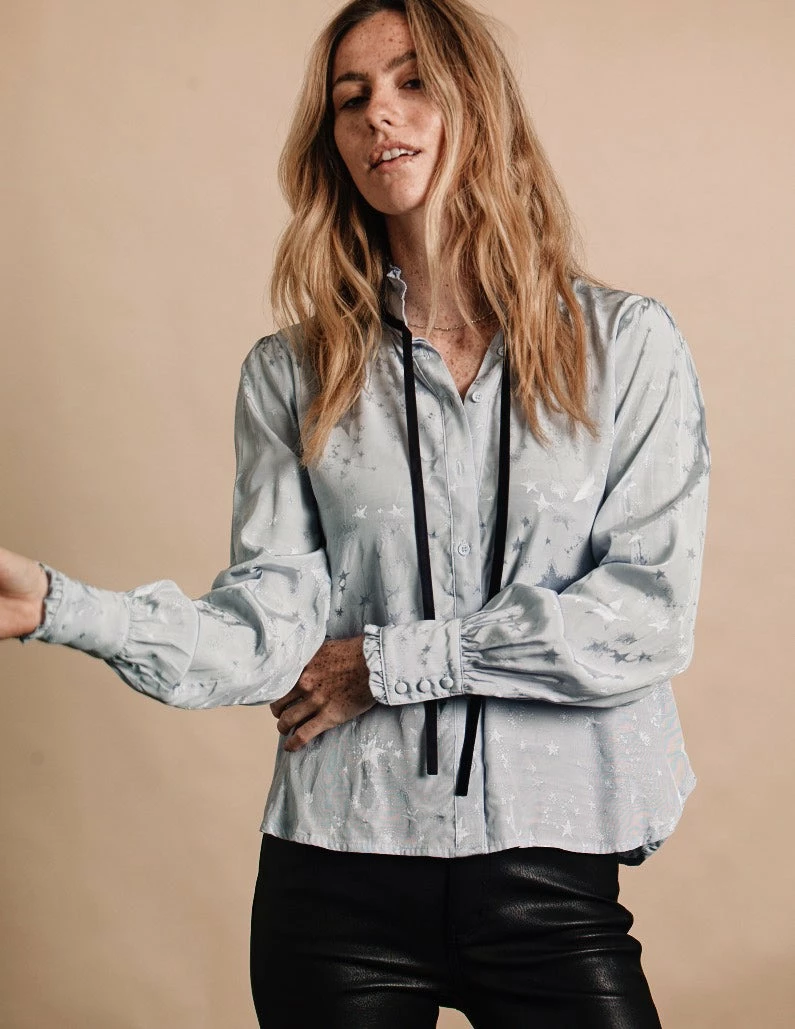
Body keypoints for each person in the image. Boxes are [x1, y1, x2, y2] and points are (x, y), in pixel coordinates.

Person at [1, 0, 711, 1025]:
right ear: (333, 141)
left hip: (549, 880)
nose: (379, 112)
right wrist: (56, 607)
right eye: (352, 97)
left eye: (413, 82)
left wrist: (382, 664)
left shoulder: (625, 347)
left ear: (479, 104)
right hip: (336, 887)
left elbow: (645, 617)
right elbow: (266, 635)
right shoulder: (292, 374)